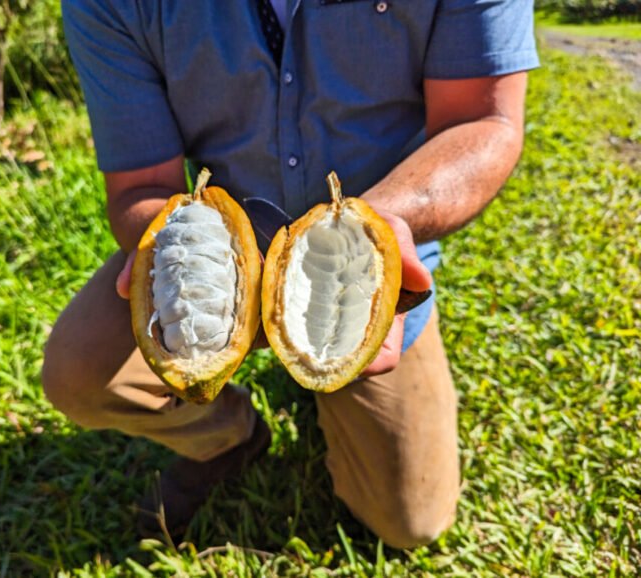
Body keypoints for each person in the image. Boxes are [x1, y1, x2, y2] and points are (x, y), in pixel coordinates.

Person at [43, 0, 538, 548]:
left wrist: (375, 228)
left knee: (410, 521)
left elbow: (482, 122)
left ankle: (336, 400)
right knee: (79, 371)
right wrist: (168, 250)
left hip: (376, 239)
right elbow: (141, 185)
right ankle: (230, 437)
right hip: (223, 244)